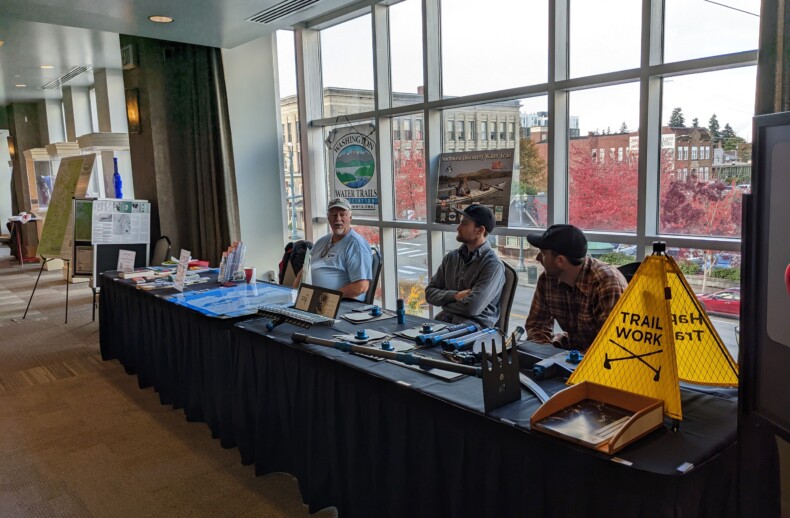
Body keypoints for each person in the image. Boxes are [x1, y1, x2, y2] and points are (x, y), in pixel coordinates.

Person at [525, 224, 627, 351]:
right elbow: (536, 325)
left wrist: (569, 362)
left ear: (560, 261)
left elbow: (612, 344)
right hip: (573, 354)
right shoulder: (547, 280)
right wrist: (547, 354)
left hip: (601, 363)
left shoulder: (606, 284)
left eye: (543, 253)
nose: (538, 258)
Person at [425, 204, 505, 329]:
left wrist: (444, 302)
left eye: (464, 223)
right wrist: (455, 296)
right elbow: (429, 293)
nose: (458, 228)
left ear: (480, 230)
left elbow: (471, 308)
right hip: (444, 323)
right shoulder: (451, 258)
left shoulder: (493, 266)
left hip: (473, 333)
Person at [296, 197, 372, 301]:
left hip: (340, 303)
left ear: (350, 217)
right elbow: (305, 270)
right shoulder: (321, 241)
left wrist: (326, 297)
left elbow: (361, 287)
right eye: (334, 214)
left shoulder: (356, 245)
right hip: (310, 299)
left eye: (342, 214)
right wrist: (296, 293)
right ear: (328, 217)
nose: (338, 219)